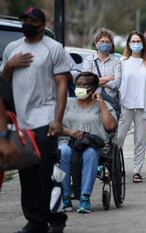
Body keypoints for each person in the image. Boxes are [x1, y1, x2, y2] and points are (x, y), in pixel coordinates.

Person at [0, 7, 70, 233]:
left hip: (45, 117)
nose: (27, 23)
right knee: (26, 174)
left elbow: (61, 84)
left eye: (32, 20)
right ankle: (35, 220)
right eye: (25, 20)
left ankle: (55, 219)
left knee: (46, 174)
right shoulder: (12, 48)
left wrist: (58, 120)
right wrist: (10, 65)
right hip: (21, 121)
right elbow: (3, 83)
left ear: (42, 24)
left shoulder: (53, 48)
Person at [59, 72, 117, 214]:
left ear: (93, 88)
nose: (80, 88)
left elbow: (110, 126)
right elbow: (54, 125)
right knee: (63, 152)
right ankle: (65, 197)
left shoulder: (103, 104)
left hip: (93, 144)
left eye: (85, 85)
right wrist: (71, 132)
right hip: (68, 141)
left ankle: (85, 197)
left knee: (90, 154)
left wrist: (101, 102)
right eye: (78, 84)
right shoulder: (67, 103)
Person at [117, 31, 146, 183]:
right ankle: (115, 167)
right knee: (119, 139)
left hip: (144, 105)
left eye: (138, 41)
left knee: (140, 140)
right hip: (125, 105)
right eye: (133, 41)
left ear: (143, 43)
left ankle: (137, 171)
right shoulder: (122, 61)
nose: (136, 44)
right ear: (129, 44)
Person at [83, 28, 121, 117]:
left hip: (111, 103)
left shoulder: (116, 61)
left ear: (111, 45)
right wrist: (109, 78)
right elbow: (87, 81)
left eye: (107, 42)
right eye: (102, 41)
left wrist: (95, 82)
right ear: (96, 44)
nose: (105, 44)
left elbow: (116, 84)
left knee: (111, 128)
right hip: (93, 101)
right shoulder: (89, 60)